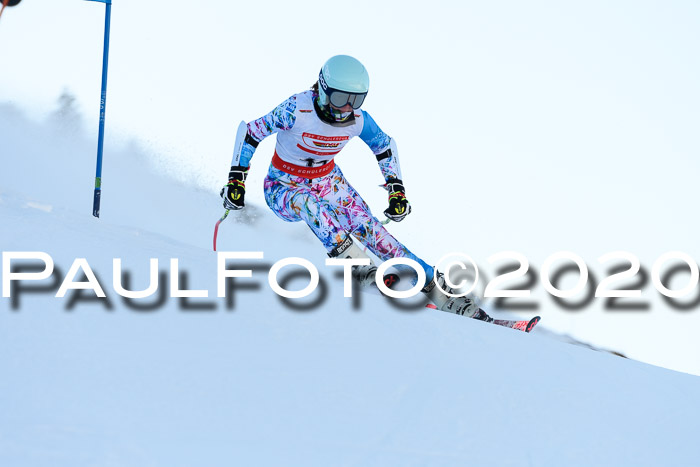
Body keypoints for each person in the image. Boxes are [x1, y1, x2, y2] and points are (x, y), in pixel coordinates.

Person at [221, 55, 492, 321]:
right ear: (323, 90)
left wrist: (396, 190)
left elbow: (384, 146)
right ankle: (358, 267)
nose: (347, 108)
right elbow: (250, 131)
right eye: (341, 98)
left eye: (356, 100)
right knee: (308, 205)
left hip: (328, 182)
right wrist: (236, 180)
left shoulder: (358, 119)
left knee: (373, 231)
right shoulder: (297, 109)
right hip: (284, 185)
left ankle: (439, 289)